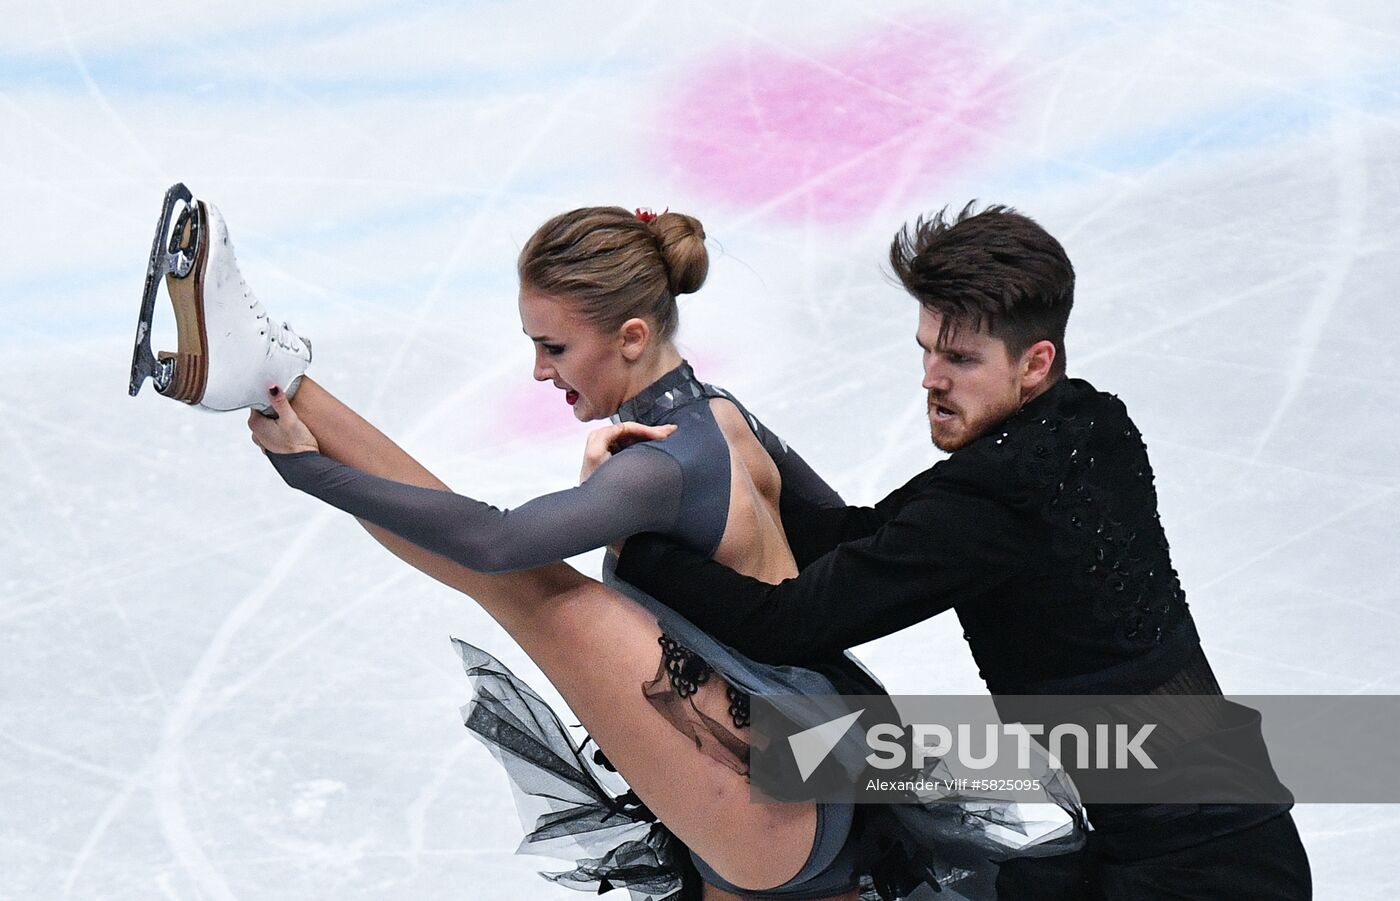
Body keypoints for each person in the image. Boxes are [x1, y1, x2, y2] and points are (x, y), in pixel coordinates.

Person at [133, 193, 1080, 900]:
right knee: (525, 588)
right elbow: (848, 542)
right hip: (816, 766)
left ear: (630, 337)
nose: (539, 370)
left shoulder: (658, 464)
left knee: (531, 590)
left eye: (554, 347)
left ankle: (265, 374)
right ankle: (265, 373)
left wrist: (313, 474)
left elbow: (494, 542)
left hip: (771, 780)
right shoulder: (727, 421)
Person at [611, 203, 1313, 899]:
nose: (931, 378)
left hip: (1195, 880)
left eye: (961, 358)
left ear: (1035, 362)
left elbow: (787, 621)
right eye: (927, 348)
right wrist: (731, 435)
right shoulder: (1093, 423)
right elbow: (867, 532)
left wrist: (640, 553)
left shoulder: (990, 504)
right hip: (1235, 843)